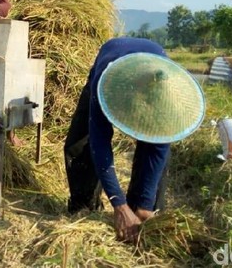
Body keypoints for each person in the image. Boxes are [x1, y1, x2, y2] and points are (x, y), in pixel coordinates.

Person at [64, 37, 206, 243]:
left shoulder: (167, 96)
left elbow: (159, 148)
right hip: (111, 60)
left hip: (154, 68)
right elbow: (99, 143)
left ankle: (143, 209)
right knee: (81, 141)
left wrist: (145, 204)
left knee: (153, 146)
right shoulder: (106, 81)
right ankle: (84, 207)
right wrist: (118, 204)